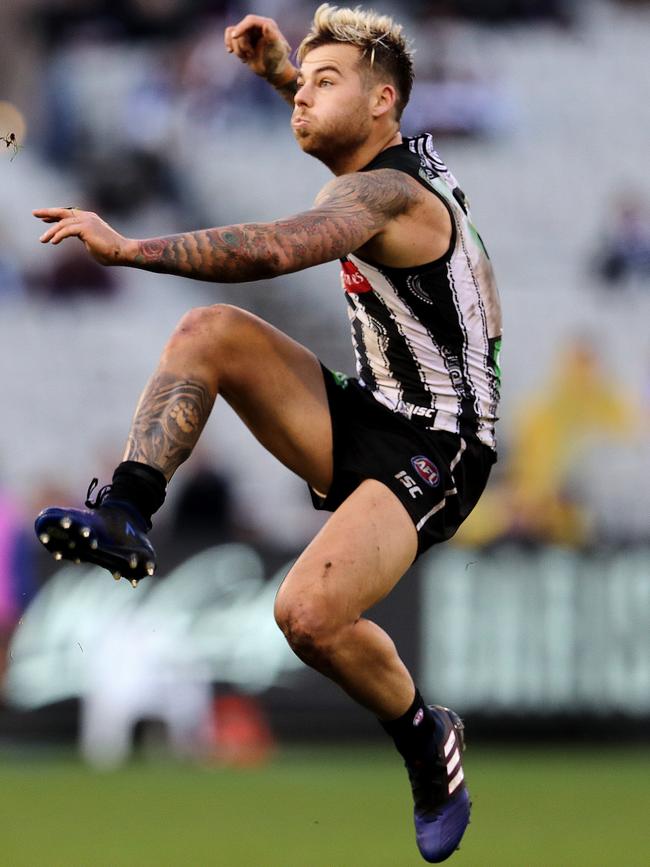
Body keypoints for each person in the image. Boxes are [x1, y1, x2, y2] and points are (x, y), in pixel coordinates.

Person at [33, 5, 502, 862]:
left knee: (307, 615)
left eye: (327, 85)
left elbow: (276, 249)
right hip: (372, 408)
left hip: (443, 444)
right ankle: (130, 514)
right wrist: (291, 74)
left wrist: (129, 247)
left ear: (382, 103)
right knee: (210, 331)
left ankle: (426, 738)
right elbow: (345, 120)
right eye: (303, 88)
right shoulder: (383, 153)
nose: (301, 101)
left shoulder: (390, 191)